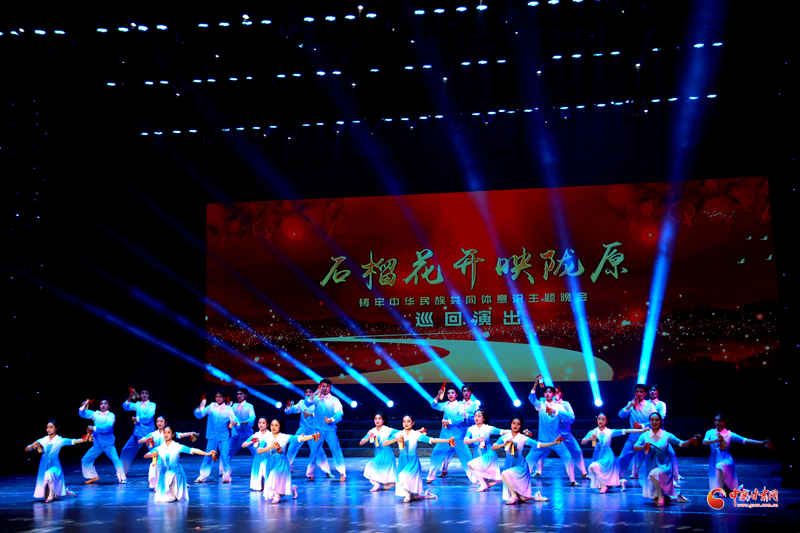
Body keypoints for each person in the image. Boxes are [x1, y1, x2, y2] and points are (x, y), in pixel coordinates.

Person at [382, 414, 454, 502]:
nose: (406, 423)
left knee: (403, 476)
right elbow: (384, 443)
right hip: (402, 460)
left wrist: (447, 440)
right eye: (404, 421)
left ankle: (408, 496)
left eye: (408, 421)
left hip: (413, 461)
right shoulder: (398, 434)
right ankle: (411, 495)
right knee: (403, 478)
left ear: (412, 423)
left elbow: (431, 440)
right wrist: (395, 439)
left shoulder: (416, 434)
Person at [492, 417, 564, 505]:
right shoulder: (505, 437)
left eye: (518, 424)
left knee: (504, 474)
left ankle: (514, 496)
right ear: (510, 424)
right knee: (522, 498)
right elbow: (494, 447)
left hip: (520, 467)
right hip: (509, 465)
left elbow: (539, 445)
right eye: (514, 423)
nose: (515, 426)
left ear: (521, 426)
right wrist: (504, 444)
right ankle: (536, 496)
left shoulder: (523, 438)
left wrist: (554, 443)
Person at [633, 412, 696, 506]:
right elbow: (635, 446)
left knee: (654, 474)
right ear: (649, 422)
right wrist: (643, 447)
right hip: (650, 467)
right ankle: (675, 497)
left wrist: (691, 440)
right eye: (652, 420)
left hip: (664, 467)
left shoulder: (666, 435)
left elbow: (681, 443)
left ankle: (662, 497)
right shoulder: (645, 435)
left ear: (660, 421)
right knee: (654, 496)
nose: (654, 422)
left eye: (657, 420)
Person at [144, 427, 216, 503]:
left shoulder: (177, 446)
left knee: (174, 496)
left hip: (175, 474)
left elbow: (193, 450)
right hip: (164, 475)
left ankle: (174, 493)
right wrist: (153, 454)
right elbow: (146, 455)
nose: (166, 434)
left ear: (172, 435)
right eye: (164, 432)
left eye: (168, 432)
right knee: (163, 498)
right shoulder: (160, 448)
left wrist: (207, 453)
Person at [525, 378, 577, 485]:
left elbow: (571, 418)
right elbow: (531, 398)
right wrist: (535, 384)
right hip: (542, 440)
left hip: (557, 440)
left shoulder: (559, 407)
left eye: (550, 392)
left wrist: (556, 411)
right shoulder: (540, 405)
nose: (547, 394)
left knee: (568, 457)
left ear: (553, 394)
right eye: (546, 392)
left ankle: (573, 480)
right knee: (529, 458)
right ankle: (524, 479)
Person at [702, 413, 771, 492]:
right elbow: (704, 442)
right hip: (714, 460)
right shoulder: (710, 432)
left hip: (726, 459)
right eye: (716, 420)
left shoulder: (729, 434)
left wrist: (761, 443)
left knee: (720, 466)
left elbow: (744, 440)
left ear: (724, 422)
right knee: (719, 483)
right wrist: (716, 440)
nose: (717, 423)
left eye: (719, 421)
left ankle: (722, 492)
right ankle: (725, 489)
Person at [25, 420, 91, 502]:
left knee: (48, 474)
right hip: (43, 466)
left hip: (55, 466)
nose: (48, 429)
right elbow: (27, 448)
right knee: (45, 486)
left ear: (56, 428)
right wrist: (32, 447)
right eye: (47, 427)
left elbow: (74, 441)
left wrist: (86, 437)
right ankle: (65, 491)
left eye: (51, 427)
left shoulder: (60, 440)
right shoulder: (43, 440)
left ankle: (51, 495)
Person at [256, 419, 318, 503]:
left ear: (280, 427)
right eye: (272, 425)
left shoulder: (284, 437)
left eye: (276, 425)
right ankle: (292, 488)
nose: (273, 427)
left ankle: (277, 496)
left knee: (273, 476)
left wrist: (312, 436)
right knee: (278, 482)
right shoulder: (267, 437)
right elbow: (259, 450)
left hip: (281, 462)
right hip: (270, 462)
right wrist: (271, 447)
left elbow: (299, 438)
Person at [580, 413, 645, 493]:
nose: (600, 421)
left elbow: (626, 430)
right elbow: (584, 442)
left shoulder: (609, 432)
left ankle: (604, 485)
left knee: (592, 467)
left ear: (606, 421)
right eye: (599, 419)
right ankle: (620, 482)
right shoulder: (593, 432)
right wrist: (590, 439)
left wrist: (641, 430)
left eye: (603, 419)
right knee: (598, 472)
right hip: (598, 456)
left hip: (608, 457)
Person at [427, 385, 478, 481]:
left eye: (452, 393)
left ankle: (474, 478)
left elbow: (462, 418)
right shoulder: (445, 404)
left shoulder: (461, 405)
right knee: (437, 453)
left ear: (456, 395)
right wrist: (438, 395)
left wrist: (449, 421)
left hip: (458, 436)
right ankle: (431, 476)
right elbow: (433, 405)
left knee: (466, 457)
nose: (450, 395)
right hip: (445, 436)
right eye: (448, 393)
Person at [137, 416, 198, 489]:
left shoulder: (168, 433)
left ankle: (179, 483)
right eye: (157, 421)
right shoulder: (153, 434)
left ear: (165, 423)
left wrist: (191, 433)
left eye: (161, 421)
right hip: (158, 460)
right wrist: (148, 439)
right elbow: (140, 441)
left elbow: (181, 435)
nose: (159, 423)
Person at [284, 387, 331, 479]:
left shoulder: (317, 402)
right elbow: (291, 410)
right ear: (304, 394)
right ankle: (287, 465)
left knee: (318, 450)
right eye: (306, 392)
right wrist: (288, 408)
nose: (308, 393)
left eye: (310, 392)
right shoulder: (302, 403)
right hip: (303, 429)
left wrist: (311, 414)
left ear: (313, 393)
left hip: (314, 430)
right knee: (293, 445)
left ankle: (327, 471)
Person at [78, 398, 126, 484]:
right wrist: (85, 404)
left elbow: (108, 427)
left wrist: (94, 428)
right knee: (86, 459)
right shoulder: (95, 414)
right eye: (101, 404)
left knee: (116, 460)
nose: (103, 405)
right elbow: (82, 413)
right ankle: (92, 476)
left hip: (108, 444)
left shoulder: (111, 415)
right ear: (99, 406)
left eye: (105, 403)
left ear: (108, 406)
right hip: (97, 444)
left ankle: (122, 478)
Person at [306, 379, 346, 481]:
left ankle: (342, 472)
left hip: (330, 430)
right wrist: (316, 392)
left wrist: (331, 419)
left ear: (330, 388)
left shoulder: (334, 400)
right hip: (317, 430)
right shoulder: (316, 399)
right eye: (322, 386)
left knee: (336, 450)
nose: (324, 388)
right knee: (314, 451)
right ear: (320, 387)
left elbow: (339, 414)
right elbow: (307, 403)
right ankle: (310, 473)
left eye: (326, 386)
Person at [193, 392, 237, 483]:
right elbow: (200, 415)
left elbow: (234, 419)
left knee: (224, 456)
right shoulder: (211, 406)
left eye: (220, 397)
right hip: (212, 436)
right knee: (208, 456)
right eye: (216, 396)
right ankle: (203, 476)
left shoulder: (228, 409)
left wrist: (233, 423)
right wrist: (202, 405)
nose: (218, 398)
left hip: (223, 436)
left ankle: (226, 475)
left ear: (224, 398)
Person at [617, 384, 657, 479]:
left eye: (641, 392)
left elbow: (655, 420)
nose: (639, 393)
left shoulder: (650, 406)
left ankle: (646, 478)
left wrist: (642, 425)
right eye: (637, 391)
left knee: (642, 461)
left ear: (645, 394)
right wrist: (629, 406)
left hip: (645, 437)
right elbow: (621, 415)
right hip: (633, 436)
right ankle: (618, 477)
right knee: (623, 457)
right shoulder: (631, 404)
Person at [463, 409, 508, 491]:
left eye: (479, 416)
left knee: (471, 465)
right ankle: (486, 484)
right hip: (477, 453)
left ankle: (485, 485)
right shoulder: (471, 429)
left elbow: (503, 431)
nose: (476, 418)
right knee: (480, 472)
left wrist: (517, 432)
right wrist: (476, 439)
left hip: (488, 453)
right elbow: (465, 441)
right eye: (475, 416)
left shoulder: (488, 428)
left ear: (483, 418)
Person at [120, 388, 157, 474]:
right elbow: (126, 407)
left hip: (148, 434)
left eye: (146, 393)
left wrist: (137, 418)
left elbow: (148, 417)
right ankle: (122, 471)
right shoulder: (137, 404)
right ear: (140, 395)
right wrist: (130, 396)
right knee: (126, 450)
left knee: (156, 451)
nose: (144, 395)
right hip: (137, 433)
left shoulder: (152, 405)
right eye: (142, 393)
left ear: (148, 395)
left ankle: (163, 470)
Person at [358, 412, 399, 492]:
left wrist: (415, 432)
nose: (377, 420)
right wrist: (368, 438)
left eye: (379, 419)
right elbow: (361, 443)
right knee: (385, 485)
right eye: (375, 419)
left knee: (370, 466)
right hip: (378, 454)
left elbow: (401, 433)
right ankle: (378, 484)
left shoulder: (388, 430)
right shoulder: (372, 431)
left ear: (383, 420)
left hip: (387, 454)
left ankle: (379, 484)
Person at [241, 417, 271, 491]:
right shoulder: (256, 435)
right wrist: (253, 441)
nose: (261, 424)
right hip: (258, 459)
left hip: (267, 458)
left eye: (263, 423)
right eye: (259, 423)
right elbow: (243, 445)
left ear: (267, 425)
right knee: (258, 481)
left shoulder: (270, 435)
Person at [229, 389, 256, 456]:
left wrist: (245, 422)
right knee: (229, 452)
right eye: (237, 394)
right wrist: (232, 422)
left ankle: (260, 462)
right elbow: (230, 416)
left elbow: (252, 417)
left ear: (245, 395)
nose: (239, 396)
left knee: (255, 451)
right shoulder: (234, 406)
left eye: (241, 394)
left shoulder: (249, 406)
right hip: (236, 433)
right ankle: (225, 463)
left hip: (247, 433)